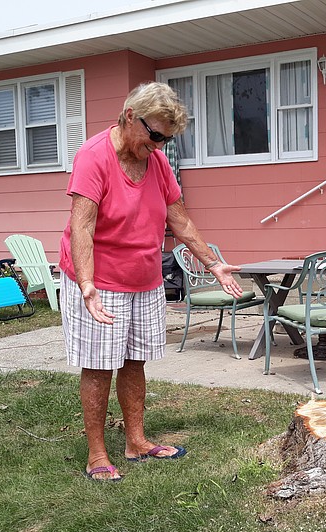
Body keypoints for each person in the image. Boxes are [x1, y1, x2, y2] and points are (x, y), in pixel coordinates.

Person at [59, 82, 244, 482]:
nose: (159, 145)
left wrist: (213, 264)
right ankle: (96, 454)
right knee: (98, 365)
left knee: (134, 360)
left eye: (167, 139)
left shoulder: (157, 162)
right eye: (155, 135)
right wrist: (87, 284)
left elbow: (178, 219)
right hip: (100, 279)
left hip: (143, 277)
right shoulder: (93, 157)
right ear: (130, 116)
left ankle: (136, 441)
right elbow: (82, 227)